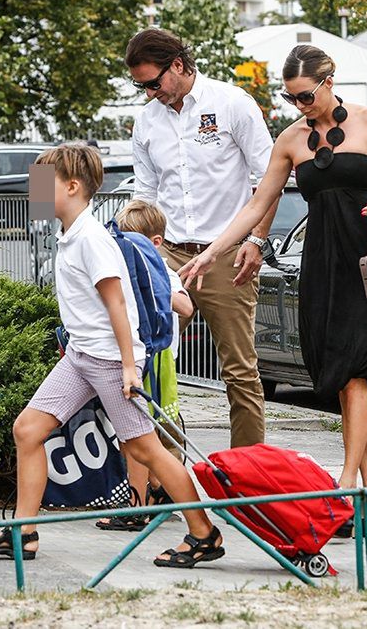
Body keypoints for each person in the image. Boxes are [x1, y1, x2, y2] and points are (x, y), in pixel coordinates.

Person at [179, 45, 367, 534]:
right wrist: (214, 251)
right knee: (343, 376)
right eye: (290, 99)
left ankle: (346, 487)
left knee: (355, 374)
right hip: (322, 266)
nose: (299, 106)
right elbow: (255, 204)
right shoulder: (291, 140)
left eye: (304, 96)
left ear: (329, 81)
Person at [0, 145, 224, 567]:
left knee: (145, 449)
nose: (34, 190)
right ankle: (23, 534)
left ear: (71, 186)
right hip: (81, 357)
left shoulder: (92, 238)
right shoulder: (70, 234)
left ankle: (204, 534)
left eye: (42, 183)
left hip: (108, 360)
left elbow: (118, 306)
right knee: (28, 430)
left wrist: (127, 366)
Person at [126, 27, 278, 449]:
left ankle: (247, 477)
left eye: (154, 83)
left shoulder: (231, 104)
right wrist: (137, 249)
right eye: (141, 86)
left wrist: (257, 241)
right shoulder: (146, 121)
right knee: (150, 361)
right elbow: (145, 193)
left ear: (178, 64)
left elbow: (268, 179)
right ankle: (166, 474)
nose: (150, 93)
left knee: (239, 370)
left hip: (228, 255)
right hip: (169, 253)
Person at [95, 199, 194, 531]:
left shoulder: (160, 268)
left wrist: (153, 290)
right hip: (132, 358)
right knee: (137, 435)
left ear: (155, 243)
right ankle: (153, 492)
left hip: (156, 361)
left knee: (140, 434)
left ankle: (140, 503)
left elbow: (186, 306)